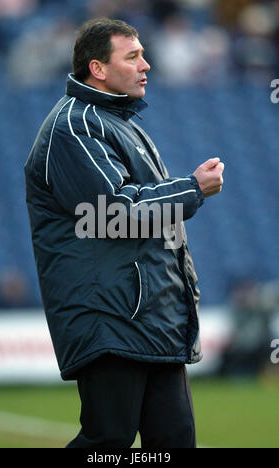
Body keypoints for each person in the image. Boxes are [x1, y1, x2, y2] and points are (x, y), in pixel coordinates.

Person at [25, 18, 224, 448]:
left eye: (143, 55)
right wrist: (193, 188)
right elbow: (116, 212)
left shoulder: (122, 124)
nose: (146, 65)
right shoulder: (73, 126)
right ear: (97, 68)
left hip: (153, 317)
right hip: (111, 316)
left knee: (174, 440)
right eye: (132, 56)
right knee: (108, 441)